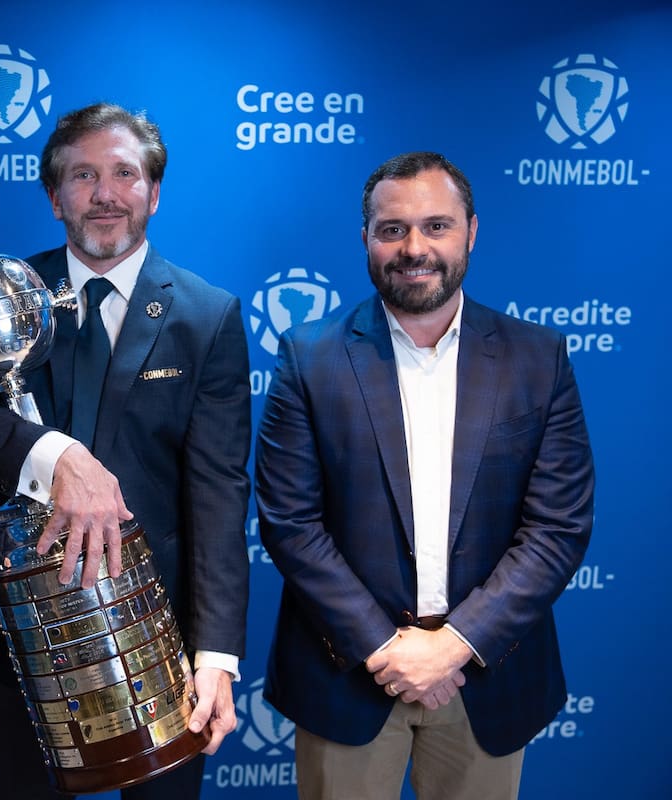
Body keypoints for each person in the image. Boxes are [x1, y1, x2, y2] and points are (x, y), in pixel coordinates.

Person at [0, 103, 251, 800]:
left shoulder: (208, 316)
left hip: (159, 627)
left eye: (124, 174)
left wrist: (217, 653)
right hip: (21, 618)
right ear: (55, 198)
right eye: (82, 176)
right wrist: (52, 456)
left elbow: (219, 495)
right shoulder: (3, 294)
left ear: (154, 192)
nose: (105, 194)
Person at [255, 151, 594, 799]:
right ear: (366, 238)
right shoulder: (309, 356)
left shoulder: (537, 357)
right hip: (349, 673)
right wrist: (387, 649)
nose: (415, 248)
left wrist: (456, 644)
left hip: (486, 675)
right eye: (393, 229)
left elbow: (557, 527)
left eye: (436, 226)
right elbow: (290, 523)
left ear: (471, 231)